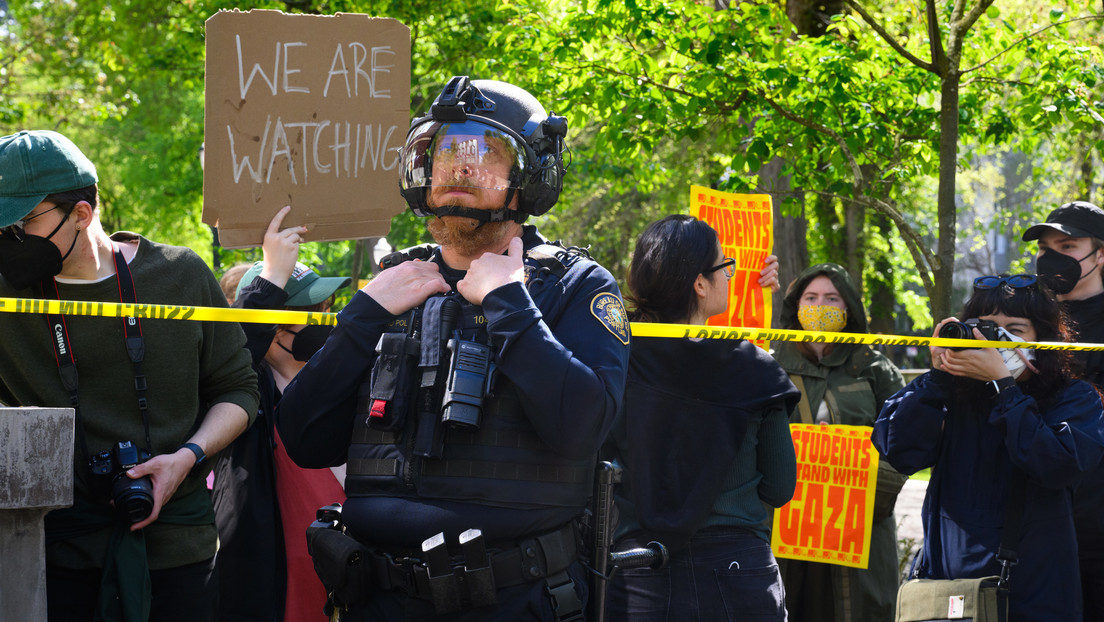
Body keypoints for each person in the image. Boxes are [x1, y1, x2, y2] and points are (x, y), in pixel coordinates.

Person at [275, 77, 631, 621]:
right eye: (446, 153)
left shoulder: (574, 285)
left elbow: (583, 429)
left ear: (530, 178)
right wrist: (363, 316)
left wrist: (510, 305)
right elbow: (303, 439)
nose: (461, 167)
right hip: (376, 598)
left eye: (486, 152)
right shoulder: (394, 284)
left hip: (513, 599)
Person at [0, 129, 259, 621]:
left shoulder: (181, 274)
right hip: (54, 560)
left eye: (21, 222)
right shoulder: (6, 295)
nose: (8, 238)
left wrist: (187, 457)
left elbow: (239, 389)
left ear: (81, 213)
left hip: (180, 554)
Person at [873, 273, 1104, 622]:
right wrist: (938, 377)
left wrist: (1005, 388)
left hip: (1033, 590)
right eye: (987, 328)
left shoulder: (1074, 397)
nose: (997, 340)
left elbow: (1057, 464)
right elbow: (898, 450)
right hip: (948, 583)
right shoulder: (951, 392)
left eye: (1015, 329)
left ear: (1043, 337)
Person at [600, 214, 798, 621]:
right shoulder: (755, 369)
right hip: (737, 570)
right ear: (700, 284)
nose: (730, 275)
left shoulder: (612, 359)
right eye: (725, 266)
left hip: (636, 569)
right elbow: (779, 488)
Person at [212, 206, 351, 622]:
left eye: (324, 306)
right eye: (307, 310)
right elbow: (230, 354)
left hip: (354, 567)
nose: (321, 318)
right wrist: (271, 277)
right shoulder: (245, 393)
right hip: (280, 582)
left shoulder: (346, 376)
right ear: (272, 326)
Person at [772, 263, 905, 622]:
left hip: (859, 530)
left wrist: (873, 492)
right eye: (811, 297)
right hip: (786, 527)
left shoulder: (875, 368)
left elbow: (904, 441)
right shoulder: (771, 365)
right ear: (797, 307)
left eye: (832, 298)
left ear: (848, 307)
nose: (820, 306)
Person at [1022, 201, 1104, 620]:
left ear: (1100, 255)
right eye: (1044, 248)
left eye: (1068, 246)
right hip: (1034, 529)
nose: (1051, 258)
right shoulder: (1025, 321)